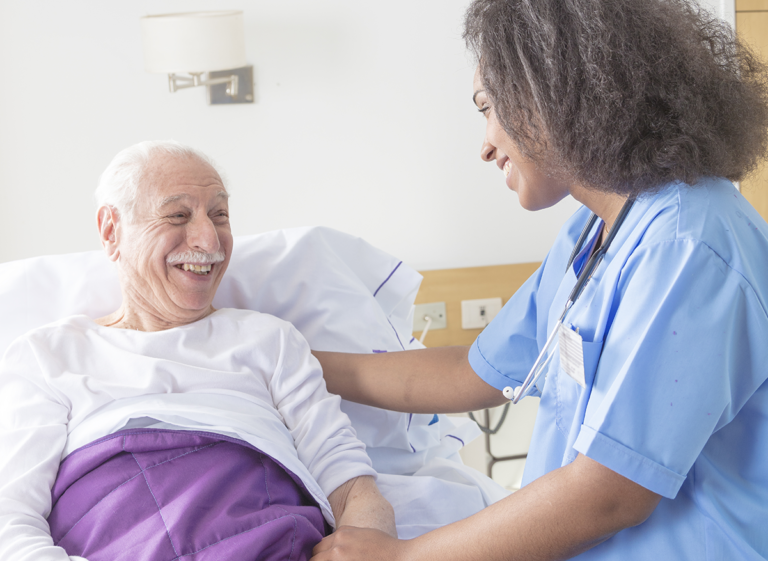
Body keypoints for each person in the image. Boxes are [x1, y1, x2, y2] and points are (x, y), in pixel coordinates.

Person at [310, 0, 768, 560]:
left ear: (551, 91)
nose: (485, 145)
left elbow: (609, 495)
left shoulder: (689, 244)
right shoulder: (595, 234)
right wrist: (293, 362)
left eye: (488, 108)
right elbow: (469, 372)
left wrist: (402, 557)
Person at [0, 140, 395, 561]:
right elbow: (12, 522)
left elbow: (353, 488)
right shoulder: (48, 356)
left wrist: (367, 547)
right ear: (111, 230)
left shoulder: (270, 341)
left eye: (220, 215)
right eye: (178, 215)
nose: (209, 240)